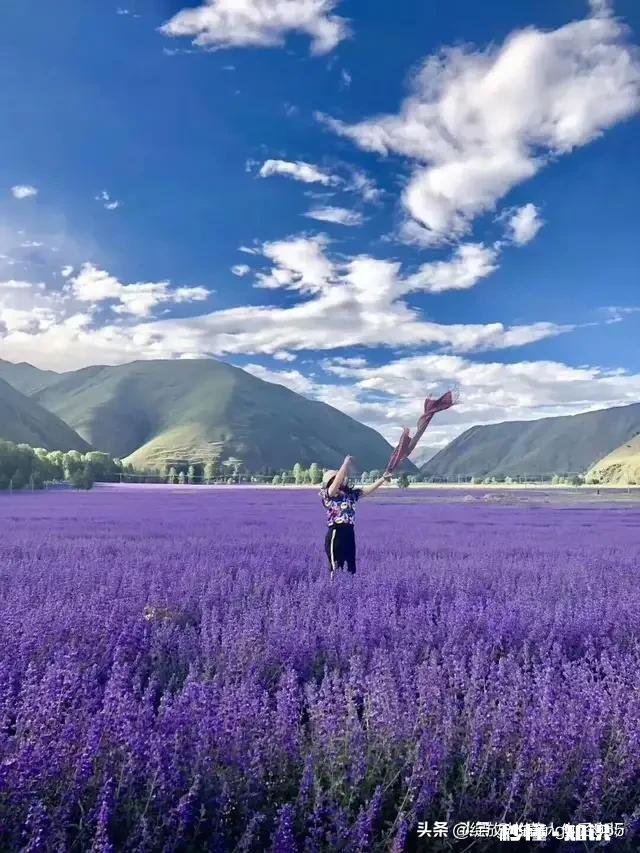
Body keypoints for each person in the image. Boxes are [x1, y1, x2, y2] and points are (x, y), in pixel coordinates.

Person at [320, 456, 391, 578]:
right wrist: (345, 464)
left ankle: (349, 588)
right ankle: (333, 589)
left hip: (349, 533)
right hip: (336, 533)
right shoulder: (328, 494)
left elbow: (367, 490)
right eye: (339, 477)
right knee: (336, 569)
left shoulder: (350, 494)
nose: (343, 478)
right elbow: (335, 485)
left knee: (351, 569)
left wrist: (383, 479)